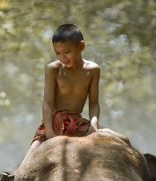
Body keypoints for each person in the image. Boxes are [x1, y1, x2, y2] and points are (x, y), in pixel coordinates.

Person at [28, 23, 101, 155]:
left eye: (67, 52)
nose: (62, 58)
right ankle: (19, 169)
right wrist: (49, 132)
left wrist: (94, 124)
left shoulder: (93, 70)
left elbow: (94, 104)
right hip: (54, 123)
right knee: (32, 155)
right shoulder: (53, 69)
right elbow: (47, 103)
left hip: (77, 123)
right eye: (58, 53)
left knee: (116, 139)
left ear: (81, 46)